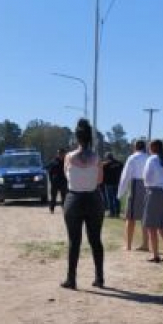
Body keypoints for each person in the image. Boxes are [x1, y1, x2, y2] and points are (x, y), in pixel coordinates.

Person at [61, 120, 105, 290]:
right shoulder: (97, 158)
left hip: (74, 200)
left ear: (77, 138)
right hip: (94, 199)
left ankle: (71, 279)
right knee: (95, 241)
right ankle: (99, 278)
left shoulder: (69, 157)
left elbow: (67, 177)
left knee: (74, 241)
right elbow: (100, 180)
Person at [142, 140, 163, 264]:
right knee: (162, 227)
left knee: (152, 226)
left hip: (154, 193)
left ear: (152, 148)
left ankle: (155, 254)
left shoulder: (152, 160)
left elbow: (146, 177)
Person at [117, 140, 150, 251]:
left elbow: (125, 176)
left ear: (135, 147)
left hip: (136, 185)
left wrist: (120, 193)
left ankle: (128, 245)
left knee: (130, 217)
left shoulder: (132, 158)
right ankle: (145, 244)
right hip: (148, 186)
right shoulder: (149, 157)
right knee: (145, 217)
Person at [46, 148, 68, 214]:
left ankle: (64, 209)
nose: (60, 154)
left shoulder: (67, 162)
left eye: (61, 153)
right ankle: (52, 209)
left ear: (64, 154)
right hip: (55, 182)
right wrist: (51, 181)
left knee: (64, 196)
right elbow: (50, 172)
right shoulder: (53, 162)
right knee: (53, 197)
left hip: (64, 181)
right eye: (59, 153)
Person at [102, 152, 124, 218]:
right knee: (117, 198)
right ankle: (117, 213)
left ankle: (112, 213)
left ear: (107, 158)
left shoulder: (105, 165)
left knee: (110, 199)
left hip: (108, 183)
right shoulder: (119, 163)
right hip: (117, 183)